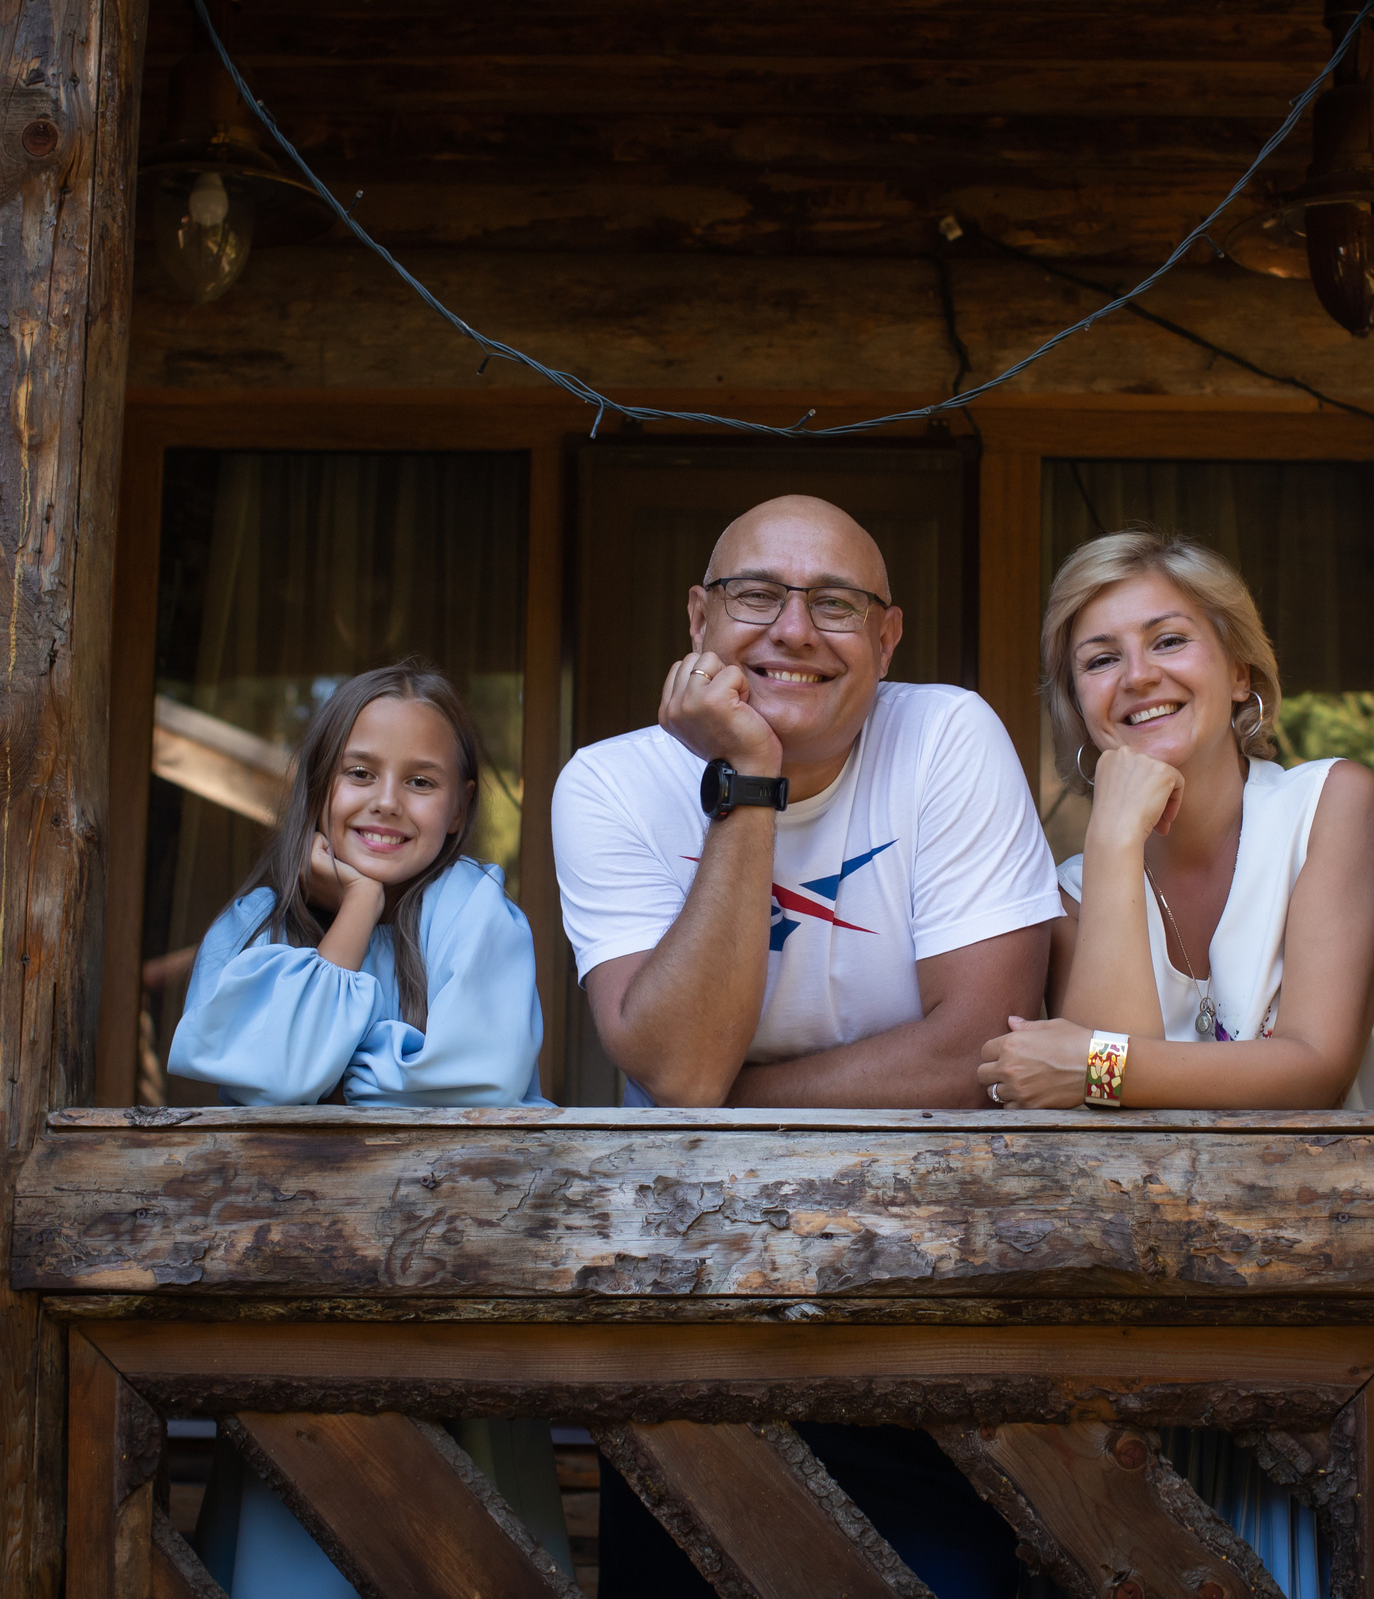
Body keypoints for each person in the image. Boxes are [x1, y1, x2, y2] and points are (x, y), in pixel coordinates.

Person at [552, 494, 1061, 1598]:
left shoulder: (947, 734)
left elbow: (979, 1044)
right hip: (692, 1318)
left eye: (835, 604)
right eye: (754, 596)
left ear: (887, 638)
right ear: (698, 618)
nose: (791, 630)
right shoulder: (611, 783)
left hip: (924, 1310)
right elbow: (678, 1066)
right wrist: (747, 781)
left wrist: (723, 1102)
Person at [978, 528, 1374, 1594]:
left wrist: (1095, 1068)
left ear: (1240, 670)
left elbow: (1307, 1064)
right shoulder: (1075, 883)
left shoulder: (1329, 804)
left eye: (1169, 639)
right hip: (1150, 1331)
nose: (1138, 676)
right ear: (1076, 701)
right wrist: (1117, 841)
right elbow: (1115, 1123)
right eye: (1099, 657)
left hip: (1340, 1319)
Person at [168, 661, 568, 1595]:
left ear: (460, 805)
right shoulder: (253, 923)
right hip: (296, 1322)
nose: (387, 802)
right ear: (317, 786)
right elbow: (269, 1092)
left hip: (459, 1310)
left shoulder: (479, 915)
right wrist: (354, 912)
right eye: (359, 773)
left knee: (464, 1554)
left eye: (421, 781)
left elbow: (472, 1082)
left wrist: (319, 1062)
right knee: (298, 1550)